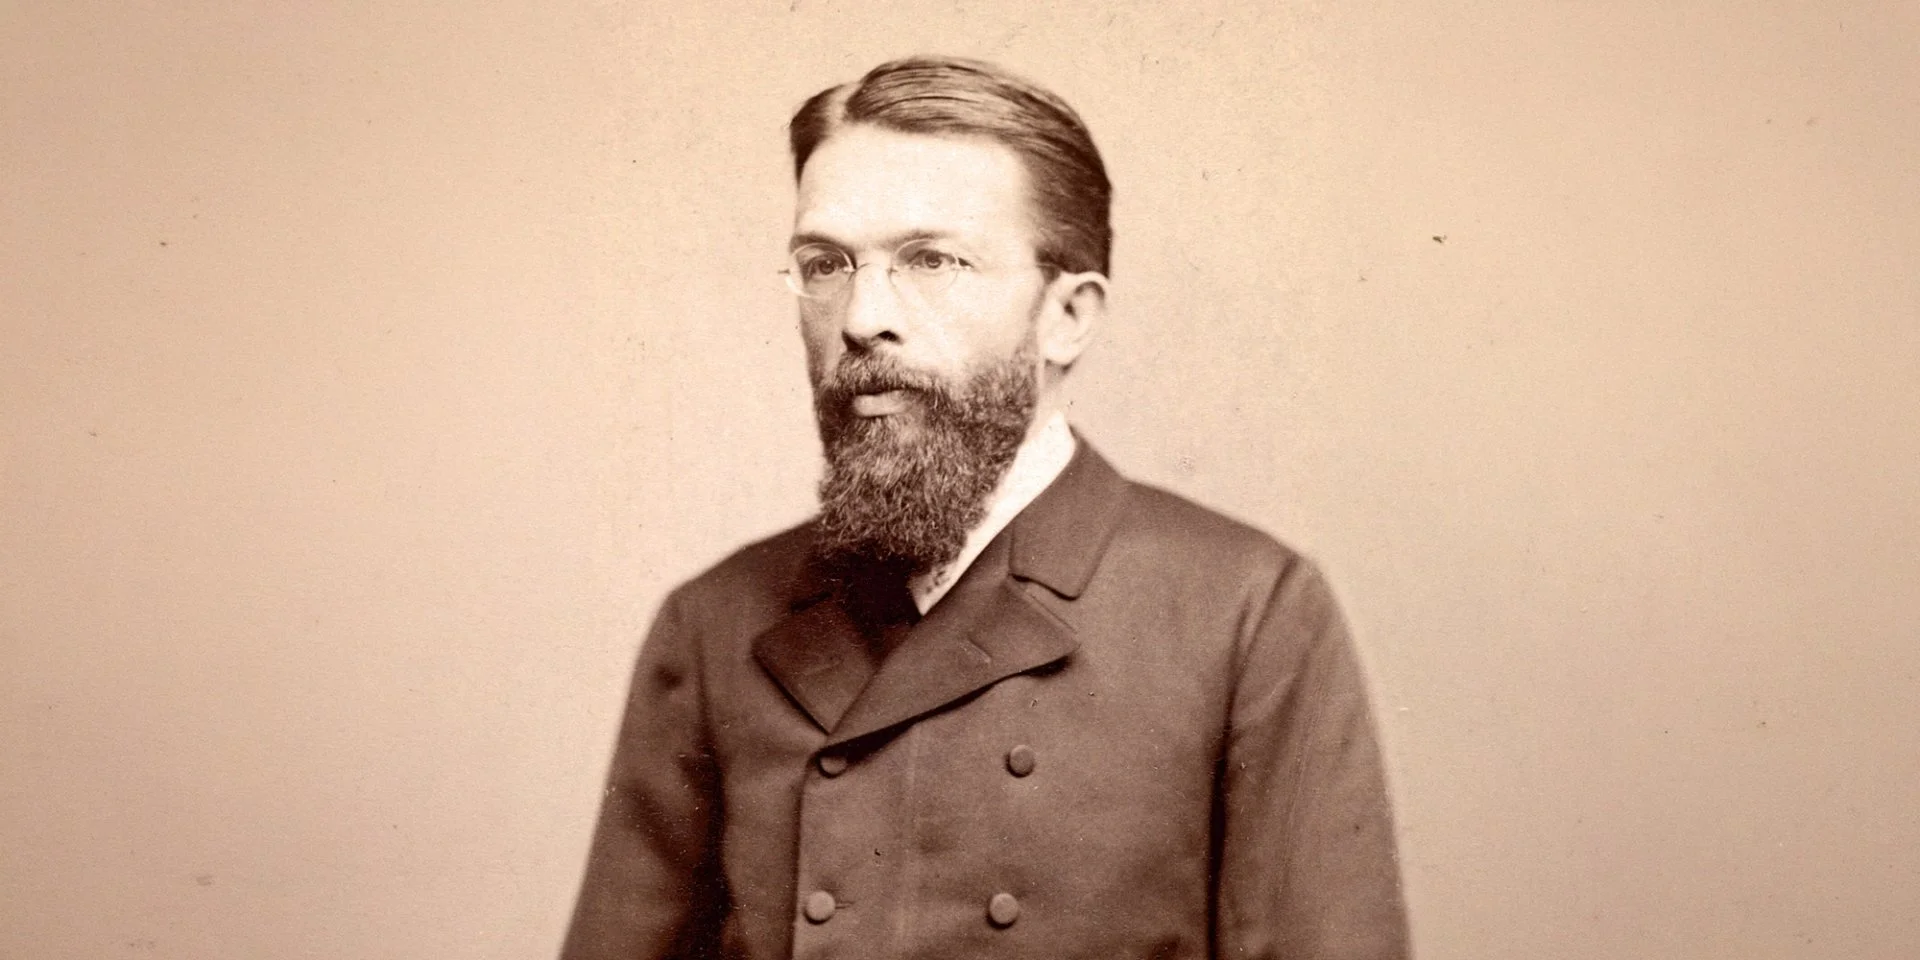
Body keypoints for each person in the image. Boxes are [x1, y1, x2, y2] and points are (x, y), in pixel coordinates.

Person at [562, 55, 1409, 960]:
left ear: (1067, 316)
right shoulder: (712, 622)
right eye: (825, 264)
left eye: (932, 260)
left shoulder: (1245, 612)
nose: (861, 317)